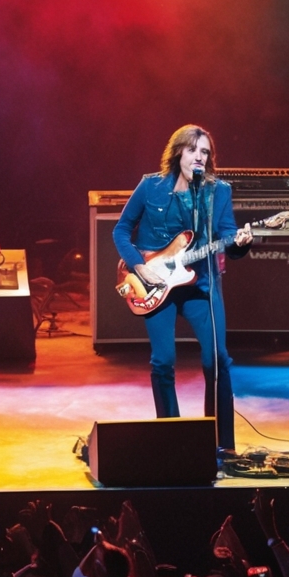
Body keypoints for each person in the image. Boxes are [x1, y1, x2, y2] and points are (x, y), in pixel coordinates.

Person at [111, 125, 252, 453]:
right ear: (178, 153)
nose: (199, 157)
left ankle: (222, 445)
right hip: (155, 283)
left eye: (204, 152)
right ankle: (172, 438)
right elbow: (121, 230)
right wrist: (138, 265)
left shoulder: (218, 191)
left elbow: (228, 237)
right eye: (192, 150)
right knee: (163, 360)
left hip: (200, 283)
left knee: (216, 359)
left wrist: (241, 242)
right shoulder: (150, 186)